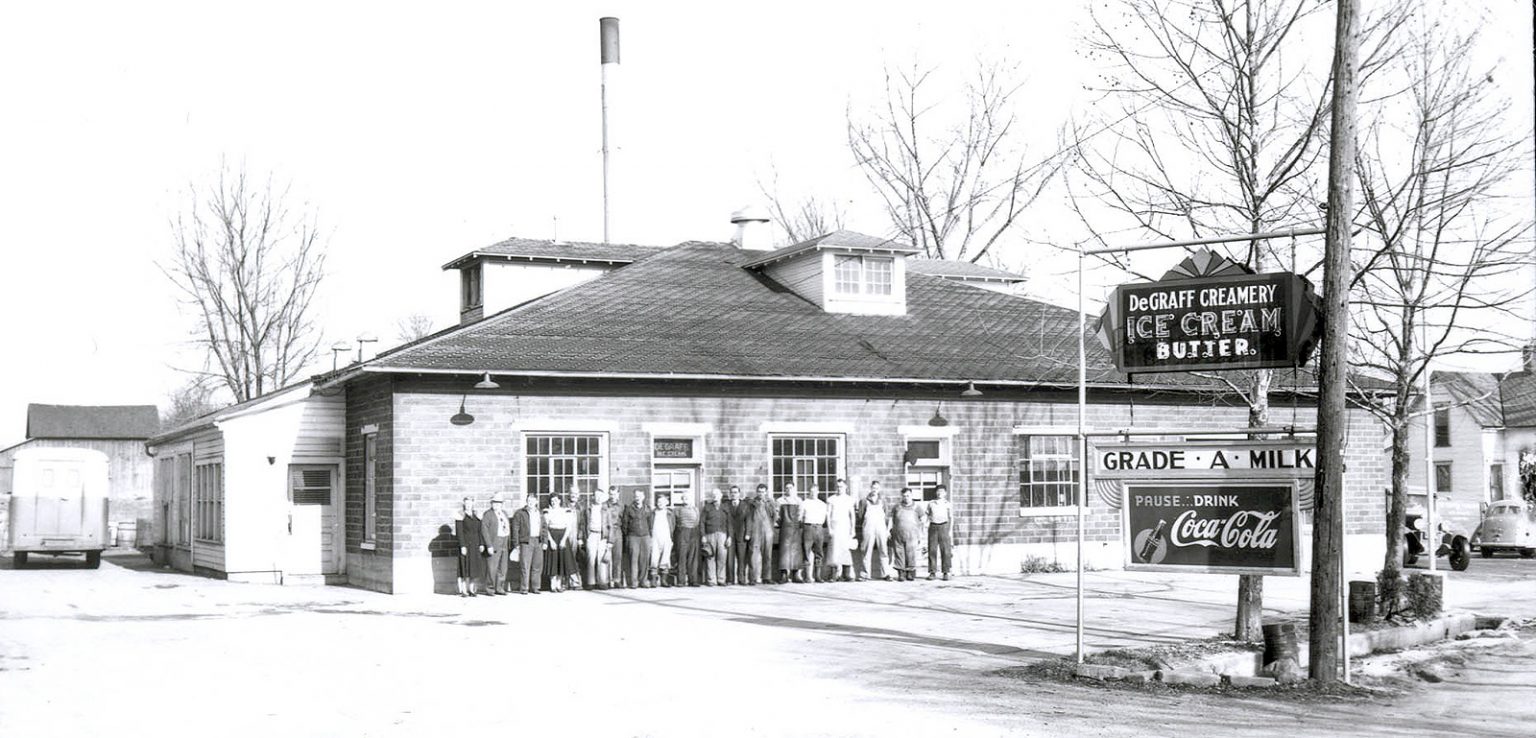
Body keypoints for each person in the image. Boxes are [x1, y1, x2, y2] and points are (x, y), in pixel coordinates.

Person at [855, 482, 891, 581]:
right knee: (866, 550)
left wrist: (887, 530)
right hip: (868, 527)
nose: (875, 489)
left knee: (883, 550)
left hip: (880, 528)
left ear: (879, 489)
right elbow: (861, 516)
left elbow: (886, 516)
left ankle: (886, 573)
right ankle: (865, 574)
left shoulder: (883, 501)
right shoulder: (864, 501)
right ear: (870, 488)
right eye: (873, 487)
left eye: (877, 488)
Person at [510, 493, 544, 594]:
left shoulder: (540, 513)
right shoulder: (520, 513)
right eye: (529, 501)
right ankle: (524, 588)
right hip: (526, 541)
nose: (531, 503)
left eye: (533, 501)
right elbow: (515, 529)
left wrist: (544, 541)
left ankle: (535, 587)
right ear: (526, 501)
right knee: (525, 565)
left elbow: (544, 527)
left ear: (536, 501)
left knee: (537, 565)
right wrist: (516, 544)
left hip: (538, 541)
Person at [544, 493, 577, 592]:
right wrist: (551, 541)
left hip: (563, 536)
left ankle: (559, 584)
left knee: (561, 560)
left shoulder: (565, 511)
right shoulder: (547, 512)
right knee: (553, 560)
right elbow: (545, 528)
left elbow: (569, 527)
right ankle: (553, 585)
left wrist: (563, 539)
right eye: (552, 501)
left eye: (556, 500)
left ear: (559, 501)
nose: (554, 502)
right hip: (552, 536)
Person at [825, 478, 857, 582]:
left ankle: (846, 573)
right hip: (835, 526)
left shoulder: (849, 499)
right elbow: (828, 515)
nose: (840, 489)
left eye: (841, 486)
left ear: (846, 487)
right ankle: (833, 574)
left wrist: (853, 529)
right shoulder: (831, 499)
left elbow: (852, 515)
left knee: (845, 549)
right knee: (834, 550)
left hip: (845, 526)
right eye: (838, 487)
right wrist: (829, 529)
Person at [620, 488, 652, 589]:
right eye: (636, 496)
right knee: (633, 559)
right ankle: (634, 582)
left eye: (639, 496)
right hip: (633, 537)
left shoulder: (647, 508)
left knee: (644, 560)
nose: (637, 498)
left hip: (645, 536)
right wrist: (629, 535)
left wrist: (649, 535)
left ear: (643, 497)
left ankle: (643, 580)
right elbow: (625, 524)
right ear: (633, 497)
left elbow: (650, 523)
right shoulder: (629, 509)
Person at [890, 487, 924, 581]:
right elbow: (891, 519)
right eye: (904, 496)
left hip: (912, 535)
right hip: (898, 534)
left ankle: (910, 573)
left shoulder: (917, 507)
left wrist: (920, 534)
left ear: (911, 496)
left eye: (908, 495)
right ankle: (901, 573)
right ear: (902, 496)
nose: (906, 498)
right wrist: (889, 530)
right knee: (899, 553)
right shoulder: (897, 506)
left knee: (911, 553)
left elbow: (923, 520)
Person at [479, 493, 511, 595]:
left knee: (503, 567)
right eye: (495, 503)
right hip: (494, 542)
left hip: (504, 541)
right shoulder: (488, 514)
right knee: (492, 567)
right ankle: (490, 588)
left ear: (502, 504)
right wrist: (489, 545)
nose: (497, 505)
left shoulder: (504, 513)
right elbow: (484, 530)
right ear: (491, 504)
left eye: (499, 503)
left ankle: (500, 587)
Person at [580, 488, 611, 590]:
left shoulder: (606, 510)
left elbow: (611, 526)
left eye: (600, 496)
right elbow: (583, 524)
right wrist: (580, 537)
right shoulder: (588, 509)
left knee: (601, 559)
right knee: (591, 558)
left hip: (602, 536)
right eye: (596, 495)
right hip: (591, 535)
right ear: (592, 496)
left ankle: (602, 581)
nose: (598, 498)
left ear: (603, 498)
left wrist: (610, 541)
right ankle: (590, 582)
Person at [799, 484, 830, 583]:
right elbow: (800, 518)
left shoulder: (822, 504)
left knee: (819, 552)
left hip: (819, 528)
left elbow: (825, 518)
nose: (813, 493)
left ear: (818, 492)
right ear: (809, 492)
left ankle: (818, 576)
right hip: (808, 527)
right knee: (806, 551)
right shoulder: (804, 503)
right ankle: (808, 576)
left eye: (815, 491)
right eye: (811, 491)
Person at [454, 497, 485, 596]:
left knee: (474, 567)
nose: (468, 505)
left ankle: (472, 589)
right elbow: (459, 533)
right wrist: (462, 545)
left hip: (475, 545)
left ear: (473, 503)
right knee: (465, 566)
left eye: (470, 503)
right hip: (466, 545)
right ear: (464, 504)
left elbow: (480, 531)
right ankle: (464, 589)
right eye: (466, 503)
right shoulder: (460, 516)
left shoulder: (476, 515)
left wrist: (481, 543)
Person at [699, 489, 731, 586]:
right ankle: (711, 580)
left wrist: (730, 537)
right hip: (710, 534)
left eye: (717, 494)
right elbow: (702, 522)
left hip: (722, 534)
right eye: (713, 495)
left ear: (721, 496)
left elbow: (729, 523)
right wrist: (703, 535)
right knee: (710, 557)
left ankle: (721, 579)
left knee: (722, 557)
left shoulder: (725, 507)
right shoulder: (707, 507)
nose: (715, 496)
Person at [747, 483, 776, 585]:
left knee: (767, 554)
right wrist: (749, 532)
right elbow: (749, 519)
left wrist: (771, 529)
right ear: (757, 492)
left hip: (767, 530)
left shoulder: (770, 503)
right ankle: (753, 577)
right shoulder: (752, 503)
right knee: (754, 555)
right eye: (759, 492)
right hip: (756, 530)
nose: (761, 494)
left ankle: (767, 577)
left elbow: (774, 516)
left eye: (763, 492)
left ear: (766, 492)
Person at [775, 483, 804, 583]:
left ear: (794, 489)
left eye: (790, 488)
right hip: (784, 528)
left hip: (795, 528)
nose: (788, 490)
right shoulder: (780, 501)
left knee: (796, 550)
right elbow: (777, 514)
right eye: (786, 488)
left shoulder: (798, 501)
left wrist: (797, 523)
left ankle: (796, 574)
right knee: (784, 551)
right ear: (784, 489)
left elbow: (801, 514)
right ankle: (784, 574)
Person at [672, 492, 702, 587]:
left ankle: (693, 580)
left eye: (687, 497)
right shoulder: (678, 510)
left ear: (691, 499)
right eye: (684, 498)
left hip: (693, 532)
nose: (685, 499)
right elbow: (674, 523)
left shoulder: (695, 509)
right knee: (681, 557)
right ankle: (681, 581)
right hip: (682, 533)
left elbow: (697, 521)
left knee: (693, 558)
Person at [926, 484, 954, 581]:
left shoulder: (947, 503)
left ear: (945, 493)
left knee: (946, 550)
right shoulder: (931, 503)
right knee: (932, 550)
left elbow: (951, 518)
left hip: (944, 526)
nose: (939, 493)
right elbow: (927, 515)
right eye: (938, 491)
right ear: (935, 492)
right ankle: (932, 572)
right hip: (933, 526)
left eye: (942, 491)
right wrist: (926, 525)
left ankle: (946, 572)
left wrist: (950, 531)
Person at [727, 486, 752, 585]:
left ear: (739, 494)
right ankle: (730, 579)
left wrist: (748, 533)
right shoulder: (726, 505)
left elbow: (749, 520)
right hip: (730, 536)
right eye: (732, 492)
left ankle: (741, 579)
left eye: (736, 492)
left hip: (742, 536)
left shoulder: (745, 505)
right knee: (730, 559)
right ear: (730, 494)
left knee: (742, 559)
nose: (734, 494)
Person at [650, 492, 675, 587]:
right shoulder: (653, 513)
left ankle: (664, 580)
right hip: (655, 537)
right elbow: (649, 525)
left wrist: (671, 537)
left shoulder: (669, 513)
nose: (660, 503)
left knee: (665, 558)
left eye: (662, 501)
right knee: (654, 558)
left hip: (666, 537)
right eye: (658, 501)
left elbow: (673, 525)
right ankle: (653, 580)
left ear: (667, 502)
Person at [602, 486, 625, 589]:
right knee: (605, 557)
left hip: (617, 531)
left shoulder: (622, 506)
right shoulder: (604, 505)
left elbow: (624, 520)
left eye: (615, 494)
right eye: (611, 494)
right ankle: (606, 580)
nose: (612, 496)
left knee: (617, 557)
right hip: (606, 531)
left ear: (618, 494)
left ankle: (617, 580)